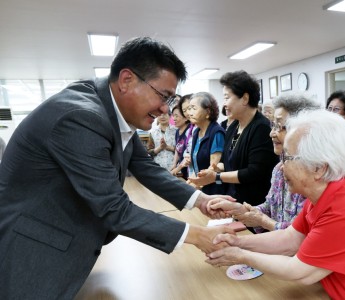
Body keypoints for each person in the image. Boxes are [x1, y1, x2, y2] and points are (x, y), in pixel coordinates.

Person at [0, 37, 234, 299]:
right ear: (126, 80)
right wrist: (197, 235)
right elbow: (113, 208)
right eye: (163, 96)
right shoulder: (81, 116)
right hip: (36, 249)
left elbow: (145, 166)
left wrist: (201, 200)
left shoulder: (110, 110)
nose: (164, 109)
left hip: (63, 237)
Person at [206, 109, 345, 299]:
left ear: (318, 168)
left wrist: (240, 255)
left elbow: (300, 271)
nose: (281, 166)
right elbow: (291, 239)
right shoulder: (327, 192)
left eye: (288, 157)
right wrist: (239, 242)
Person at [209, 93, 320, 231]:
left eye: (280, 126)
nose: (272, 133)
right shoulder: (279, 169)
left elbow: (301, 233)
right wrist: (239, 210)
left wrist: (263, 221)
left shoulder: (316, 175)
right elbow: (269, 207)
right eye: (273, 125)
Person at [189, 70, 279, 206]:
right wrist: (212, 170)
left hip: (255, 204)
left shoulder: (262, 128)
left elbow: (254, 172)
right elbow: (229, 161)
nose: (224, 104)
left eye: (227, 97)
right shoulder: (233, 127)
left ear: (245, 99)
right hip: (234, 200)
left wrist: (216, 177)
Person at [188, 92, 225, 195]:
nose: (190, 113)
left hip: (215, 189)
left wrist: (197, 183)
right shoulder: (196, 132)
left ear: (208, 112)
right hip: (201, 187)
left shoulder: (216, 132)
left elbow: (213, 167)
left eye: (194, 109)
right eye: (189, 109)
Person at [170, 104, 190, 179]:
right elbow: (177, 149)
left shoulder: (190, 131)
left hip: (190, 169)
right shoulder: (177, 131)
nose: (174, 119)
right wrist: (174, 164)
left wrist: (177, 169)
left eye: (176, 116)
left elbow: (189, 155)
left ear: (185, 118)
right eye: (173, 116)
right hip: (183, 170)